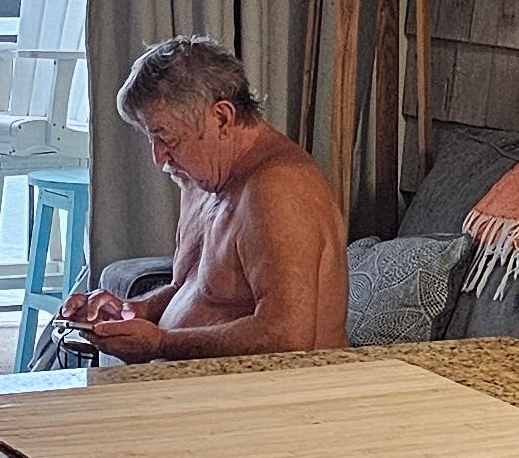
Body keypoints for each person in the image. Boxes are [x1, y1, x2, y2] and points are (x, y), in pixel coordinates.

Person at [60, 37, 349, 361]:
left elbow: (286, 336)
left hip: (280, 401)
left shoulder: (279, 188)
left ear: (222, 118)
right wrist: (128, 313)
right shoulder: (201, 182)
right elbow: (192, 290)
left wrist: (161, 343)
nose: (157, 156)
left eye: (166, 137)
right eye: (151, 137)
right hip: (202, 392)